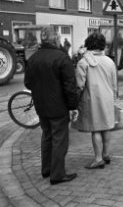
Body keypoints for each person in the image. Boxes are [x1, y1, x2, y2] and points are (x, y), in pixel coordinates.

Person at [24, 26, 79, 185]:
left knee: (47, 136)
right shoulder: (62, 57)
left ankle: (46, 169)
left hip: (41, 106)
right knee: (59, 140)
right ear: (56, 39)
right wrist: (73, 106)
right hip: (58, 107)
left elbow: (28, 83)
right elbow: (70, 86)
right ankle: (57, 174)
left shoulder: (33, 58)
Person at [74, 32, 117, 169]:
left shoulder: (83, 62)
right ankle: (106, 154)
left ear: (88, 44)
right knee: (106, 126)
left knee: (96, 129)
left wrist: (75, 102)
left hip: (92, 99)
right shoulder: (110, 61)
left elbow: (79, 85)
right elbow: (114, 84)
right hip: (108, 98)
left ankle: (98, 159)